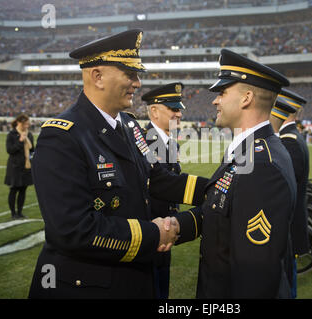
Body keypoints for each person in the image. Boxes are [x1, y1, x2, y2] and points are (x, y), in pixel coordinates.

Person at [28, 29, 208, 299]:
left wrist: (219, 189)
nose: (137, 83)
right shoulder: (62, 136)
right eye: (130, 74)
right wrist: (155, 234)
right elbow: (73, 230)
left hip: (132, 278)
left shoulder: (129, 125)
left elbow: (157, 179)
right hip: (86, 288)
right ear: (97, 76)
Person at [174, 49, 297, 298]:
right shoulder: (249, 151)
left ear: (246, 98)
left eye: (222, 93)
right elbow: (222, 210)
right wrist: (178, 225)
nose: (215, 101)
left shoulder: (261, 165)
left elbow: (255, 276)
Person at [141, 82, 185, 299]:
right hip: (151, 229)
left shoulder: (171, 143)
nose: (179, 114)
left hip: (166, 228)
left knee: (162, 288)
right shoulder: (143, 142)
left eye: (179, 109)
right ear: (155, 111)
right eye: (173, 109)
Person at [269, 88, 310, 298]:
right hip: (293, 222)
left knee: (287, 284)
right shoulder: (294, 137)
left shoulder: (290, 142)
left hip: (289, 225)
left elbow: (285, 191)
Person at [4, 113, 34, 219]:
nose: (26, 126)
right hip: (14, 166)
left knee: (23, 190)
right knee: (13, 189)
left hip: (26, 166)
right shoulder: (12, 134)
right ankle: (13, 213)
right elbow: (9, 150)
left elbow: (32, 150)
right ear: (18, 123)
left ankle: (20, 212)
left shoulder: (29, 134)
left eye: (27, 124)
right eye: (24, 124)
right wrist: (20, 141)